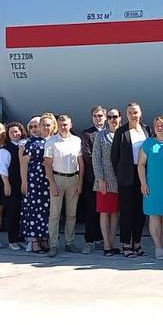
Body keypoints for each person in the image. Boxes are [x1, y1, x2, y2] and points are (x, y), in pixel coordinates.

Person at [111, 104, 152, 258]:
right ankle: (126, 243)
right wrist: (120, 174)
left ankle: (137, 241)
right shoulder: (121, 132)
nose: (132, 115)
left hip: (143, 175)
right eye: (129, 113)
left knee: (140, 210)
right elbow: (114, 157)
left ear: (140, 113)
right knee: (127, 211)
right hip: (126, 176)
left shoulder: (146, 130)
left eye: (135, 112)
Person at [45, 114, 85, 257]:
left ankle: (70, 242)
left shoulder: (77, 140)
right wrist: (52, 183)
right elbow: (47, 164)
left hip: (73, 178)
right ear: (58, 125)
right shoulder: (51, 141)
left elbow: (80, 162)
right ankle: (53, 245)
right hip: (57, 178)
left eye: (66, 124)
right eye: (61, 124)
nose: (64, 127)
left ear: (71, 125)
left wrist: (80, 182)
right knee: (54, 215)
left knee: (71, 214)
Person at [139, 115, 163, 260]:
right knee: (154, 216)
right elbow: (141, 164)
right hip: (152, 185)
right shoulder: (149, 143)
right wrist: (143, 183)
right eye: (157, 125)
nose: (160, 128)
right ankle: (157, 247)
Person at [19, 115, 53, 254]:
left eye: (36, 126)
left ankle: (44, 239)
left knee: (46, 211)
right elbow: (23, 164)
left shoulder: (50, 141)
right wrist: (24, 182)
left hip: (48, 180)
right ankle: (34, 241)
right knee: (33, 210)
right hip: (34, 180)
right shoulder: (30, 143)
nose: (34, 129)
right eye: (31, 127)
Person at [91, 107, 122, 256]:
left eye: (115, 116)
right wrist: (100, 178)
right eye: (109, 117)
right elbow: (96, 158)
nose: (112, 119)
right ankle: (107, 245)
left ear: (120, 118)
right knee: (105, 212)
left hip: (119, 180)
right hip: (104, 179)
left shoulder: (123, 134)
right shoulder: (101, 135)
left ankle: (112, 243)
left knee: (115, 213)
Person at [79, 107, 106, 254]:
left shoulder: (111, 133)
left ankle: (102, 238)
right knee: (91, 211)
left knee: (105, 211)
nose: (98, 118)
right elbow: (88, 156)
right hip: (92, 178)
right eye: (95, 116)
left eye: (101, 116)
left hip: (109, 180)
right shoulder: (87, 134)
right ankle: (89, 240)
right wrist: (102, 169)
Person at [4, 121, 27, 251]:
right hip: (12, 183)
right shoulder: (5, 149)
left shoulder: (25, 145)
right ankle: (12, 240)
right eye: (12, 132)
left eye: (17, 131)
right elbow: (2, 169)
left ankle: (20, 238)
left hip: (25, 183)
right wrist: (6, 184)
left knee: (22, 212)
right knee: (12, 212)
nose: (15, 134)